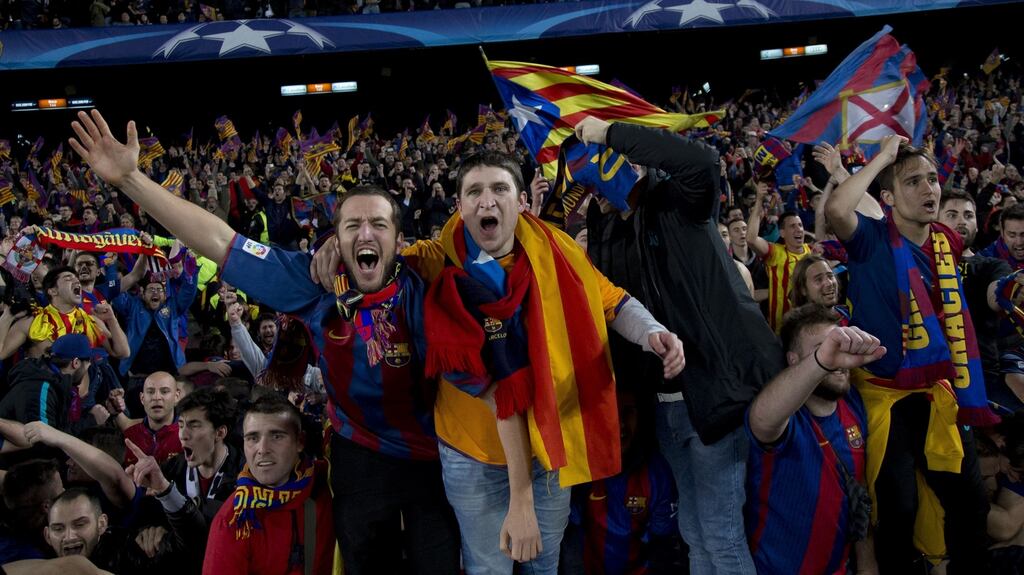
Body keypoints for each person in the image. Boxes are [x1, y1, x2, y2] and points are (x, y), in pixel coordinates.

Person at [68, 109, 460, 575]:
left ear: (401, 240)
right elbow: (219, 240)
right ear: (336, 237)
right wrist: (131, 180)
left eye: (378, 224)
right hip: (360, 457)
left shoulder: (429, 280)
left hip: (436, 458)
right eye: (352, 225)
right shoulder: (312, 281)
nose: (365, 234)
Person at [410, 151, 683, 574]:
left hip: (548, 446)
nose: (487, 201)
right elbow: (377, 255)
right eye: (474, 191)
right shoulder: (434, 260)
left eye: (499, 188)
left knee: (543, 564)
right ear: (459, 206)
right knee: (488, 568)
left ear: (521, 201)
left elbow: (611, 301)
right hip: (473, 456)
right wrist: (335, 247)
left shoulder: (559, 251)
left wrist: (653, 334)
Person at [575, 116, 783, 575]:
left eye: (605, 161)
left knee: (721, 534)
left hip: (714, 393)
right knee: (694, 532)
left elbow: (703, 161)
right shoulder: (610, 233)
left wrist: (609, 131)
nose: (598, 173)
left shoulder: (678, 202)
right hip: (664, 406)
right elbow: (613, 309)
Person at [825, 135, 994, 573]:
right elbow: (837, 211)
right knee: (897, 508)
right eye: (913, 182)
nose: (928, 190)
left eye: (932, 179)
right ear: (888, 198)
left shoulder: (947, 243)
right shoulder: (870, 240)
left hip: (940, 391)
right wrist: (882, 156)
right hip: (886, 396)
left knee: (970, 500)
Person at [746, 305, 883, 574]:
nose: (838, 358)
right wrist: (821, 362)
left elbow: (860, 492)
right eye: (823, 348)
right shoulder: (786, 415)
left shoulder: (853, 404)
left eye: (840, 346)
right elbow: (761, 420)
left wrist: (867, 564)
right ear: (794, 360)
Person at [202, 394, 335, 575]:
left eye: (276, 436)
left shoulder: (329, 482)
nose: (262, 449)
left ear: (300, 442)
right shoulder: (235, 519)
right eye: (252, 438)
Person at [0, 266, 129, 360]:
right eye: (68, 278)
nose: (76, 281)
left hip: (79, 396)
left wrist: (112, 320)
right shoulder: (32, 322)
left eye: (76, 278)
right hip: (44, 392)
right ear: (52, 291)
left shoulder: (91, 321)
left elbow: (122, 352)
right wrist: (6, 317)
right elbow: (1, 354)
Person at [43, 488, 169, 574]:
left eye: (80, 524)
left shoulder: (133, 551)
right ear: (47, 536)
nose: (69, 537)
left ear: (102, 524)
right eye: (58, 529)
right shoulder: (38, 563)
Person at [0, 333, 109, 433]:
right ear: (75, 362)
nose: (90, 365)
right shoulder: (40, 388)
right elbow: (44, 442)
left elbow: (60, 426)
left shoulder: (55, 380)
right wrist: (91, 420)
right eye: (88, 361)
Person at [747, 183, 811, 332]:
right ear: (782, 233)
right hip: (781, 330)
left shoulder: (813, 253)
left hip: (808, 327)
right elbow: (751, 239)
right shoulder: (775, 252)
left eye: (800, 225)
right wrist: (759, 201)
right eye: (792, 226)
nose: (798, 229)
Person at [115, 371, 182, 466]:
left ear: (176, 396)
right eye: (150, 392)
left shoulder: (188, 437)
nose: (156, 397)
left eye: (164, 391)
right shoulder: (128, 437)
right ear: (142, 398)